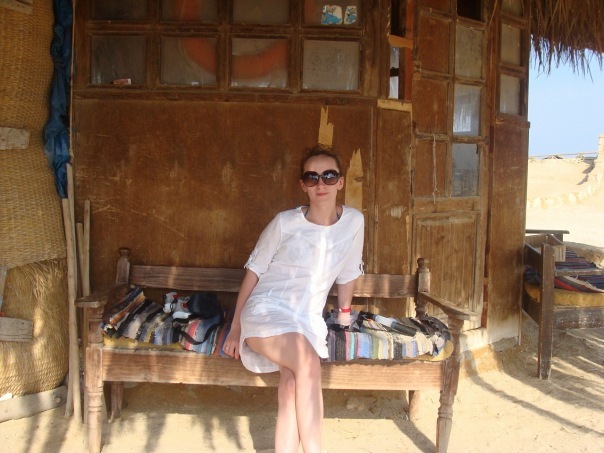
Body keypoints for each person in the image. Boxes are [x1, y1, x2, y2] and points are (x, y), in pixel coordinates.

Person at [222, 145, 365, 453]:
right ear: (303, 185)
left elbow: (349, 272)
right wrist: (236, 327)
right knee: (306, 360)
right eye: (312, 177)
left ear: (341, 181)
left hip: (306, 320)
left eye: (329, 176)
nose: (321, 184)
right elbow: (255, 271)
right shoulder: (285, 223)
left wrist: (344, 315)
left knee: (290, 385)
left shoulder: (354, 222)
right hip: (266, 310)